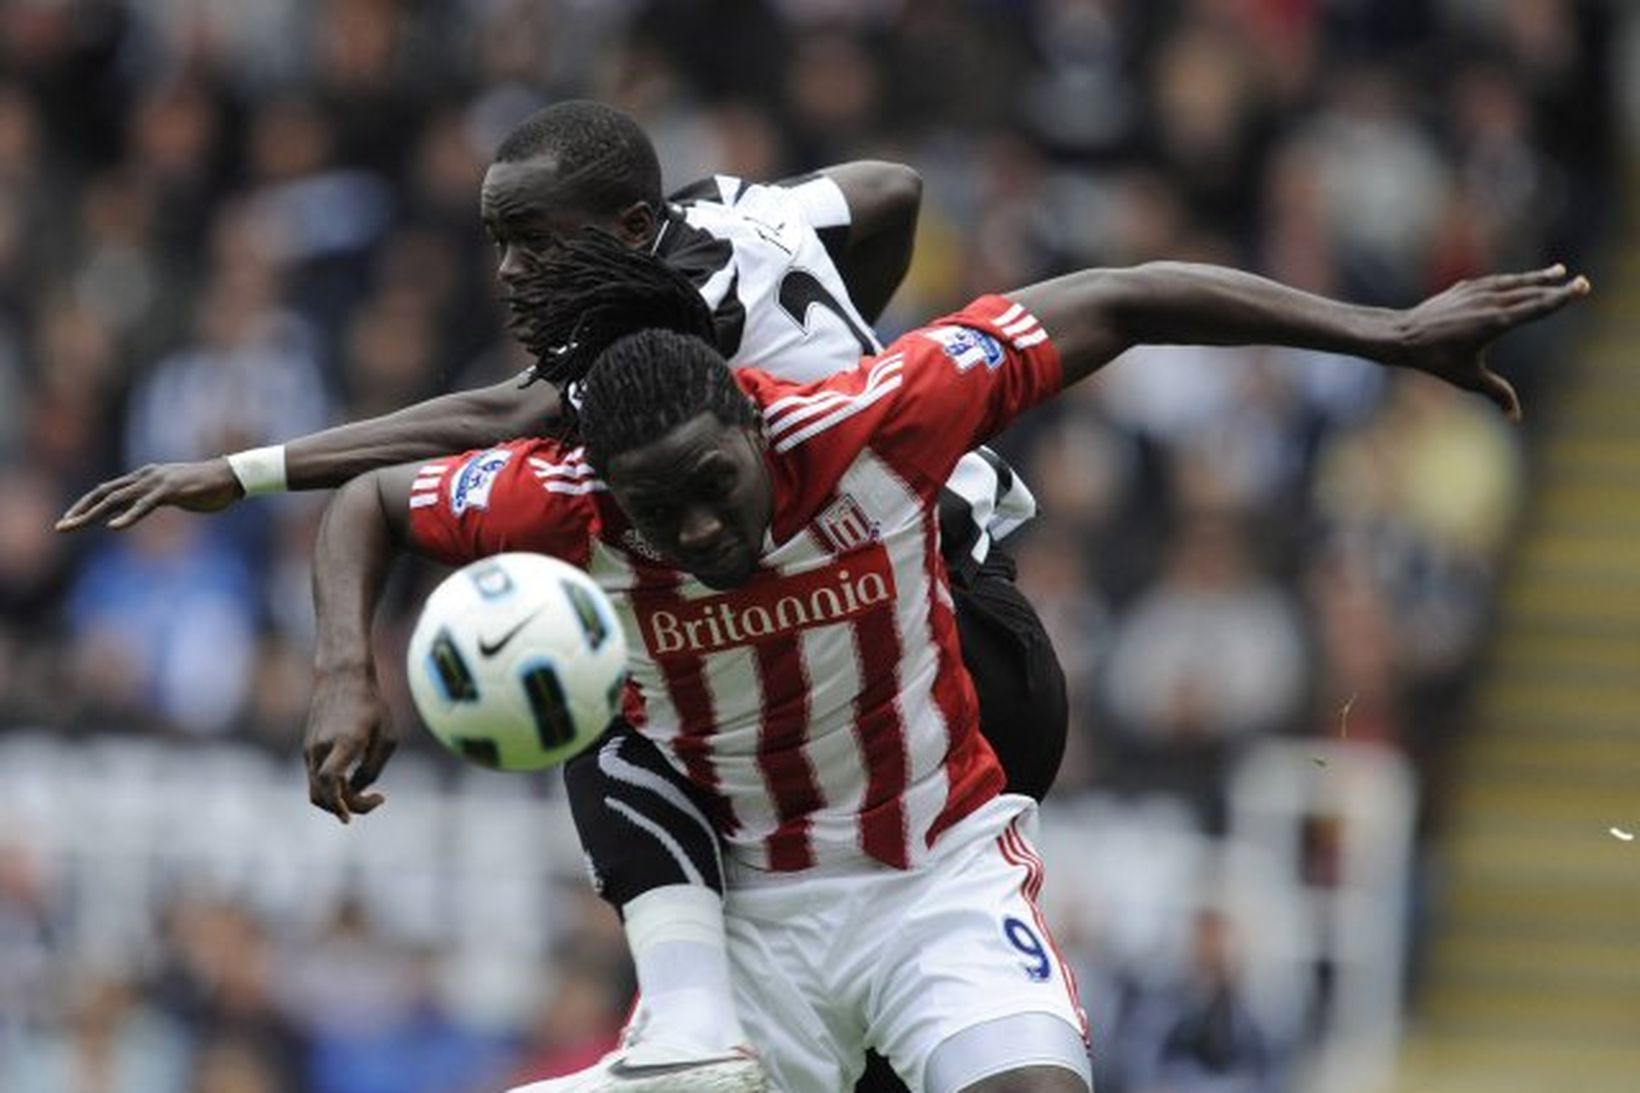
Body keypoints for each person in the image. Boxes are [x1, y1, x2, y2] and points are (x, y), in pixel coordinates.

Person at [303, 233, 1586, 1092]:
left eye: (711, 485)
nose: (697, 530)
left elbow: (1121, 298)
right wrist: (344, 671)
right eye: (659, 515)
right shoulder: (562, 495)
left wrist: (1382, 329)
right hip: (749, 922)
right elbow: (365, 503)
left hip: (937, 879)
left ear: (752, 415)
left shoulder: (879, 415)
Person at [58, 101, 1066, 1093]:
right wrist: (856, 351)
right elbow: (891, 189)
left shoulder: (665, 320)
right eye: (500, 242)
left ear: (629, 228)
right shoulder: (728, 208)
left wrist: (242, 470)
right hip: (973, 617)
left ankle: (688, 1030)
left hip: (928, 646)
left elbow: (493, 413)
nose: (510, 273)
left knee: (588, 672)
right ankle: (715, 1032)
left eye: (534, 242)